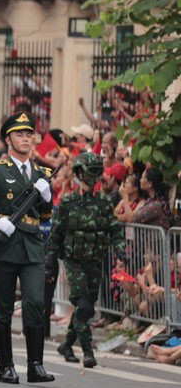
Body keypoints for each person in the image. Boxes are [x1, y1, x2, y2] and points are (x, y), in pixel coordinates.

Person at [0, 111, 56, 385]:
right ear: (9, 139)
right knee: (4, 307)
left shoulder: (42, 173)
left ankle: (35, 365)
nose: (26, 138)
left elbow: (45, 217)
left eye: (29, 134)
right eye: (20, 134)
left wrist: (47, 198)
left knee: (34, 303)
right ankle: (6, 365)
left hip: (32, 244)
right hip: (5, 244)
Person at [48, 152, 126, 368]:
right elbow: (56, 235)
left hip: (95, 261)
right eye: (90, 172)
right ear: (80, 173)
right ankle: (88, 352)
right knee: (82, 305)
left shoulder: (103, 202)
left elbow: (115, 230)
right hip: (75, 261)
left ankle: (66, 345)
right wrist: (50, 263)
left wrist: (121, 253)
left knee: (87, 309)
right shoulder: (67, 202)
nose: (93, 176)